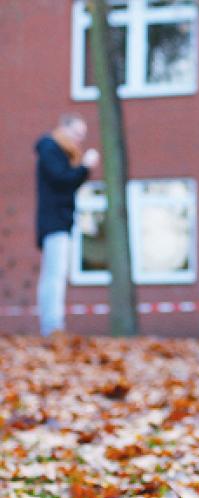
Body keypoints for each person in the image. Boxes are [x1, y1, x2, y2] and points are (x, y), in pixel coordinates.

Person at [34, 113, 100, 337]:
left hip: (58, 220)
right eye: (76, 133)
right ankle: (52, 326)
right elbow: (63, 181)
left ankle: (52, 325)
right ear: (64, 127)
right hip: (55, 221)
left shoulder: (57, 151)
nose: (79, 139)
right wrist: (85, 168)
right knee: (55, 274)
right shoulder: (51, 149)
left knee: (53, 273)